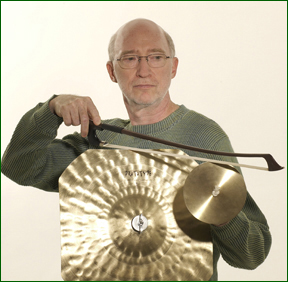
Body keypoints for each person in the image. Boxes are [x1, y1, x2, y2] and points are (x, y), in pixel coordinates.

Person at [1, 18, 271, 280]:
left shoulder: (205, 137)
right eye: (130, 58)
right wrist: (51, 110)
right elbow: (18, 167)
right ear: (111, 71)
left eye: (156, 57)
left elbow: (251, 255)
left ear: (173, 67)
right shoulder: (98, 138)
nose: (144, 70)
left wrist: (221, 215)